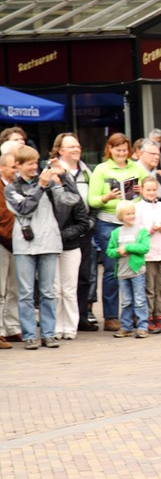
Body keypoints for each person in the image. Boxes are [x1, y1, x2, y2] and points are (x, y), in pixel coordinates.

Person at [5, 146, 68, 349]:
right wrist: (40, 186)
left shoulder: (48, 182)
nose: (34, 167)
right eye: (30, 163)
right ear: (19, 166)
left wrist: (63, 176)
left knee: (48, 291)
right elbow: (24, 208)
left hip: (49, 242)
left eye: (36, 162)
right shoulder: (11, 188)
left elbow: (70, 201)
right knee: (25, 292)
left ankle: (49, 334)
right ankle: (30, 335)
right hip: (24, 245)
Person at [87, 133, 147, 332]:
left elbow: (152, 190)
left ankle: (134, 316)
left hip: (132, 222)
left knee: (135, 267)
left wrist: (141, 191)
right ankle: (111, 316)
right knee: (113, 270)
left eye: (124, 150)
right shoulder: (101, 169)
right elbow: (92, 199)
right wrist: (107, 197)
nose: (122, 153)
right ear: (109, 150)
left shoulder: (136, 167)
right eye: (117, 150)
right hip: (109, 223)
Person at [50, 132, 97, 333]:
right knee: (56, 284)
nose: (76, 149)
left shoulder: (87, 172)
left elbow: (94, 198)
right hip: (56, 232)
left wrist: (90, 222)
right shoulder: (51, 171)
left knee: (85, 276)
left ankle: (81, 317)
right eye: (71, 147)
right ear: (60, 150)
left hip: (83, 228)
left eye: (77, 146)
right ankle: (57, 323)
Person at [134, 178, 161, 333]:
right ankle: (148, 317)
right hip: (148, 254)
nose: (151, 193)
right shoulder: (138, 207)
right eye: (148, 190)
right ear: (142, 190)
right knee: (149, 288)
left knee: (160, 288)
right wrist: (148, 230)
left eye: (154, 190)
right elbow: (136, 229)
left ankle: (159, 315)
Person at [105, 201, 150, 339]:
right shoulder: (116, 233)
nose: (131, 216)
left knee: (140, 299)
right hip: (122, 272)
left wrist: (128, 248)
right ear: (120, 216)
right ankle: (126, 326)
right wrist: (118, 252)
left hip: (137, 271)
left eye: (132, 213)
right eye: (127, 214)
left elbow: (145, 248)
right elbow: (109, 251)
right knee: (126, 301)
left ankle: (142, 326)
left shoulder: (141, 231)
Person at [0, 152, 20, 348]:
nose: (16, 170)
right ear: (2, 168)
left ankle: (12, 328)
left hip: (19, 242)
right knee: (0, 289)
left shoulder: (19, 187)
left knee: (15, 288)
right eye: (13, 166)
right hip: (3, 241)